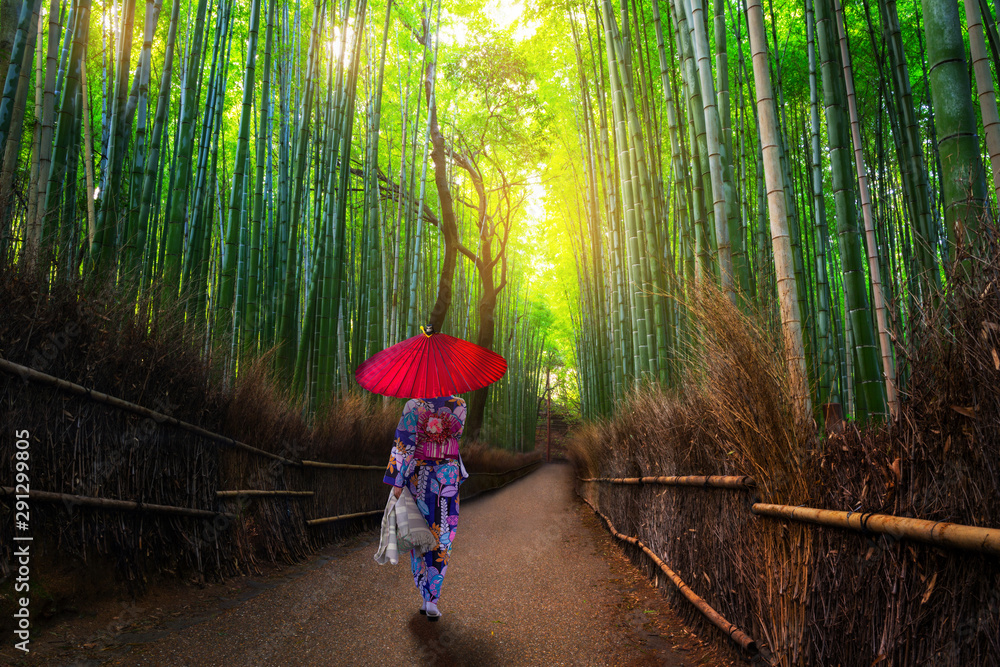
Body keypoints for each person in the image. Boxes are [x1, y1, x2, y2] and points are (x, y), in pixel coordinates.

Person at [383, 394, 469, 621]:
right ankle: (431, 599)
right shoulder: (460, 405)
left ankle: (426, 595)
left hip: (420, 477)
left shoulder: (413, 405)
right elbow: (456, 436)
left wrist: (397, 481)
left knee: (420, 534)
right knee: (443, 537)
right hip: (447, 477)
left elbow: (403, 445)